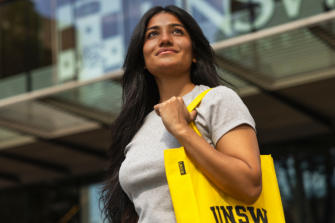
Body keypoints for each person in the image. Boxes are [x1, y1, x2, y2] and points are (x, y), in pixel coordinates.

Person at [100, 5, 262, 223]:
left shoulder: (217, 99)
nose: (165, 39)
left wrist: (181, 130)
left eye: (177, 31)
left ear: (195, 53)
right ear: (143, 60)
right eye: (153, 34)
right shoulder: (135, 126)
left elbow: (249, 186)